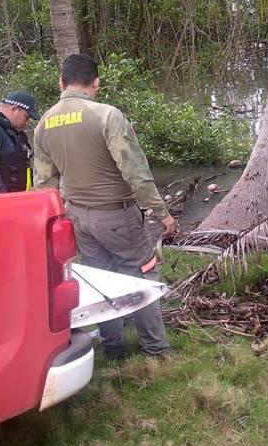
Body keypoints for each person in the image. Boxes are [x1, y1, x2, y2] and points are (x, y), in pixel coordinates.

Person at [33, 54, 175, 361]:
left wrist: (51, 227)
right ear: (95, 82)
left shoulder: (43, 124)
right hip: (117, 215)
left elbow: (44, 185)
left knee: (101, 279)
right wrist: (162, 213)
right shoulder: (107, 116)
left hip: (78, 218)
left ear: (61, 82)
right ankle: (156, 349)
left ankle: (113, 349)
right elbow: (135, 172)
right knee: (140, 277)